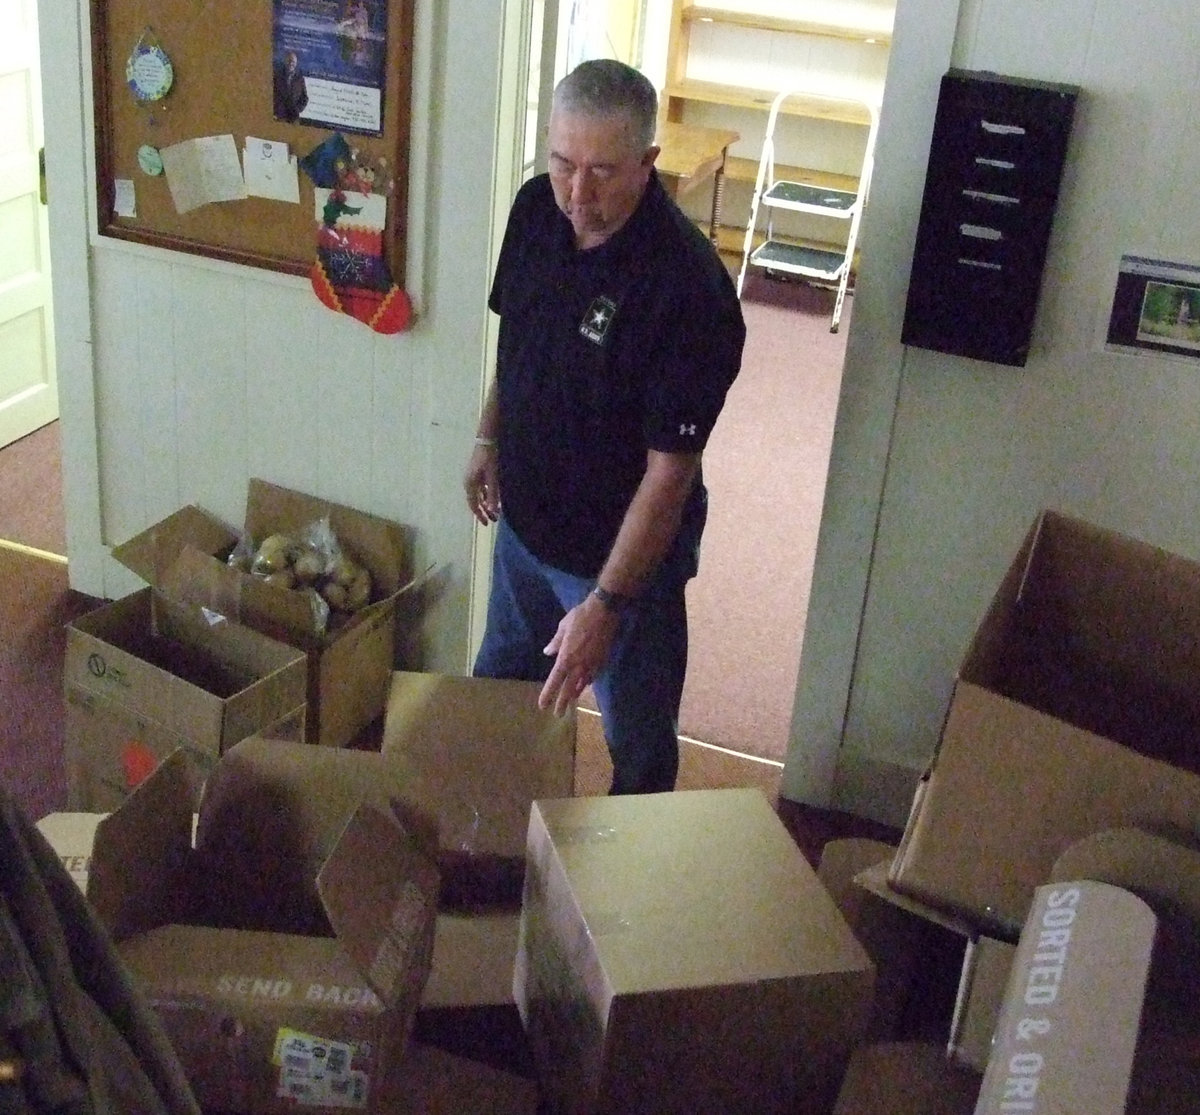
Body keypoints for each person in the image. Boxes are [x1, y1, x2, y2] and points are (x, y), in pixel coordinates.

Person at [464, 59, 746, 794]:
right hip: (525, 537)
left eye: (602, 172)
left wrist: (607, 606)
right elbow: (518, 343)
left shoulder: (688, 290)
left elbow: (670, 472)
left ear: (649, 164)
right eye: (562, 163)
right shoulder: (535, 211)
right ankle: (484, 849)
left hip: (623, 568)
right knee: (495, 704)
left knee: (639, 748)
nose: (577, 194)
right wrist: (487, 436)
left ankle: (627, 891)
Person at [273, 50, 308, 123]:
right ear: (285, 61)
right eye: (289, 61)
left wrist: (297, 109)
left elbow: (304, 98)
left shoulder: (300, 79)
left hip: (293, 118)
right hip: (278, 116)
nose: (291, 63)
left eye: (293, 62)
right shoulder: (276, 76)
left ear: (296, 63)